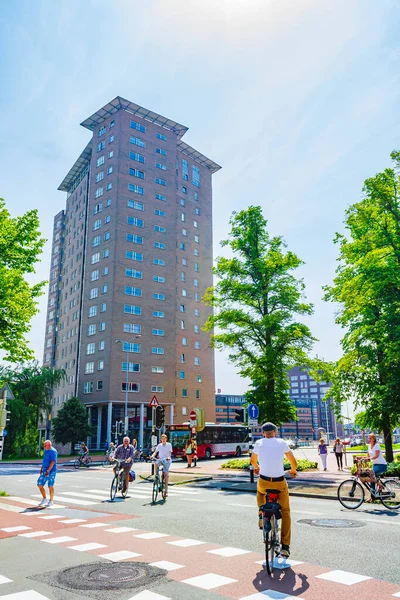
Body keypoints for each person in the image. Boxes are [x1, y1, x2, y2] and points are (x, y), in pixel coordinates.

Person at [250, 422, 298, 558]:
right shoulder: (282, 442)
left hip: (264, 481)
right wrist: (293, 470)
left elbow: (253, 461)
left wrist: (257, 467)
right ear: (275, 432)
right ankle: (285, 547)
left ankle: (261, 512)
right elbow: (293, 462)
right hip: (279, 482)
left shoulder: (259, 443)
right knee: (286, 512)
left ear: (263, 433)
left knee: (260, 492)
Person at [37, 440, 58, 508]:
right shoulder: (46, 450)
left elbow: (52, 462)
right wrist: (42, 468)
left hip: (51, 471)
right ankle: (44, 498)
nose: (44, 446)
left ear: (49, 445)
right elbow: (45, 460)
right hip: (44, 469)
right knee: (39, 484)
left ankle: (51, 501)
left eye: (45, 445)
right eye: (44, 445)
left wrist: (48, 471)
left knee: (50, 485)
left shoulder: (53, 451)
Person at [367, 433, 387, 502]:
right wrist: (361, 458)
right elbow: (368, 456)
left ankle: (380, 485)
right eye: (368, 438)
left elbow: (376, 456)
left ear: (374, 439)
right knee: (372, 480)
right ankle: (372, 497)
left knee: (371, 474)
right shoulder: (369, 446)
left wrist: (369, 458)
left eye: (370, 438)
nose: (369, 439)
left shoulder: (377, 446)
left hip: (382, 465)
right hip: (375, 465)